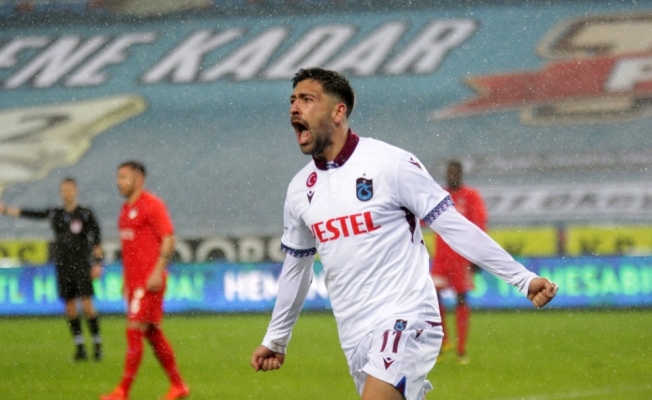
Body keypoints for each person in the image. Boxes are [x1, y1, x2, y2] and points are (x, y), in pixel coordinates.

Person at [249, 68, 558, 400]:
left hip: (407, 317)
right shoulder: (299, 190)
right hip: (354, 332)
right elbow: (297, 268)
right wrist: (276, 338)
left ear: (338, 112)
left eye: (307, 100)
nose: (294, 108)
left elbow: (452, 226)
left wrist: (522, 278)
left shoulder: (390, 164)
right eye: (292, 101)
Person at [101, 161, 189, 400]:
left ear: (139, 178)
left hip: (149, 282)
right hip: (134, 283)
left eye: (123, 177)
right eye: (118, 177)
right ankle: (178, 386)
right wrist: (126, 280)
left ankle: (123, 391)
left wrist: (157, 271)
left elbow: (169, 239)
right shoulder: (125, 210)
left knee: (134, 331)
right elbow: (130, 249)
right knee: (152, 333)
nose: (119, 182)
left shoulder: (152, 205)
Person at [0, 177, 104, 362]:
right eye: (64, 190)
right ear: (61, 192)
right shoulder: (55, 213)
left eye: (69, 189)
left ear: (76, 191)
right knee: (69, 305)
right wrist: (6, 209)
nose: (67, 193)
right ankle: (80, 347)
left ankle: (97, 344)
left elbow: (96, 240)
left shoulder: (85, 213)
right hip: (63, 265)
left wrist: (98, 263)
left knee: (87, 302)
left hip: (81, 264)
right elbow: (32, 214)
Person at [431, 160, 487, 365]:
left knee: (461, 299)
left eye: (455, 172)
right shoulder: (439, 195)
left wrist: (477, 254)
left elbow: (479, 224)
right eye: (449, 172)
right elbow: (423, 218)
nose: (452, 175)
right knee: (431, 296)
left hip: (462, 258)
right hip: (441, 258)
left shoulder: (471, 196)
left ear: (461, 174)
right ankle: (443, 340)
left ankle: (461, 349)